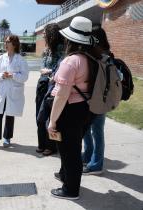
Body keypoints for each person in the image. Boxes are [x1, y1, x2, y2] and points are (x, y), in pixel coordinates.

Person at [47, 16, 95, 199]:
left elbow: (61, 95)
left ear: (70, 39)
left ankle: (70, 189)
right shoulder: (89, 58)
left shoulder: (71, 61)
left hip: (70, 111)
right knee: (74, 148)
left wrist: (52, 121)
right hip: (85, 108)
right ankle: (68, 180)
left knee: (69, 153)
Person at [0, 35, 29, 148]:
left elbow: (25, 77)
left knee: (10, 115)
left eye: (8, 41)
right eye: (5, 41)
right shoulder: (1, 58)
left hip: (13, 91)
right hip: (2, 90)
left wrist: (13, 75)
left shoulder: (20, 59)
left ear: (14, 44)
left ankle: (7, 138)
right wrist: (2, 75)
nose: (5, 43)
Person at [82, 26, 111, 175]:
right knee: (89, 129)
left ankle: (96, 164)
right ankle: (88, 156)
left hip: (98, 99)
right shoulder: (105, 53)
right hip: (98, 98)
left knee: (96, 131)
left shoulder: (101, 55)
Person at [36, 23, 64, 156]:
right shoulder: (46, 50)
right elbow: (42, 69)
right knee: (39, 116)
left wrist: (49, 72)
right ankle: (41, 144)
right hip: (42, 85)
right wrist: (47, 72)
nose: (43, 35)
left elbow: (59, 71)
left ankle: (51, 146)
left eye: (45, 33)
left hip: (53, 88)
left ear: (51, 34)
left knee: (51, 117)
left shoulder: (61, 50)